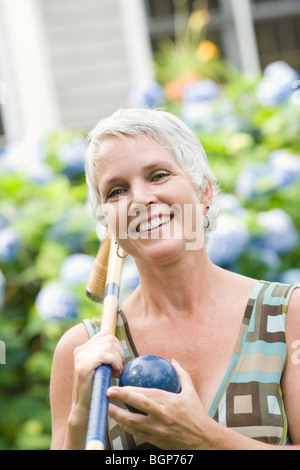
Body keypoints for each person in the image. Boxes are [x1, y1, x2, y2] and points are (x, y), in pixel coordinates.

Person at [50, 108, 300, 450]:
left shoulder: (289, 316)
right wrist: (81, 415)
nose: (139, 200)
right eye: (117, 190)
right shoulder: (82, 354)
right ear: (108, 224)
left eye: (158, 175)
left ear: (205, 192)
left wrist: (205, 438)